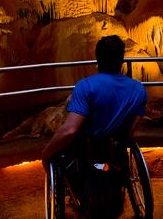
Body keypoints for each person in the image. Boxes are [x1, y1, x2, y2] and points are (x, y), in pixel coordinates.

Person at [41, 35, 147, 169]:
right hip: (117, 156)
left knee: (60, 151)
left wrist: (46, 152)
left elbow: (70, 130)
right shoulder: (139, 89)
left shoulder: (86, 86)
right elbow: (131, 129)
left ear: (98, 59)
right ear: (122, 60)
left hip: (87, 157)